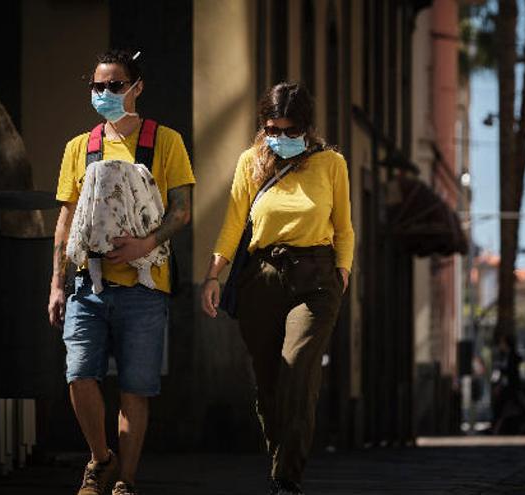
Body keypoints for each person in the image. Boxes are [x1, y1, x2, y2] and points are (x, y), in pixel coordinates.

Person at [47, 49, 195, 495]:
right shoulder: (80, 147)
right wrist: (56, 283)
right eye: (98, 86)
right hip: (85, 285)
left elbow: (182, 210)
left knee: (136, 388)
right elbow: (66, 220)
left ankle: (125, 480)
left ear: (137, 87)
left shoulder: (165, 141)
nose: (105, 93)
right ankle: (99, 458)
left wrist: (144, 245)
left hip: (145, 288)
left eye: (114, 85)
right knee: (79, 374)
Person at [200, 82, 353, 495]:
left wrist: (341, 271)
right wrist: (213, 275)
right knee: (268, 382)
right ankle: (279, 461)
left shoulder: (331, 164)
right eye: (273, 130)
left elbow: (344, 227)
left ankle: (288, 477)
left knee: (297, 367)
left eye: (290, 130)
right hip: (262, 278)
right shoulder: (251, 161)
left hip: (316, 278)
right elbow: (233, 223)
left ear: (306, 127)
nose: (281, 138)